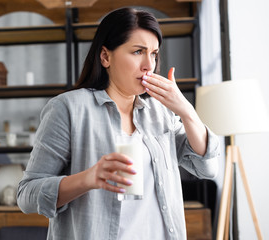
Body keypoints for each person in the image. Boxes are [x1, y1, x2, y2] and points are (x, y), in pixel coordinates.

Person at [17, 7, 219, 240]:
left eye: (154, 54)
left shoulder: (160, 113)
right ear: (105, 57)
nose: (148, 65)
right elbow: (26, 195)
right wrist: (88, 178)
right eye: (137, 52)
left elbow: (207, 168)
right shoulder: (68, 108)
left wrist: (186, 110)